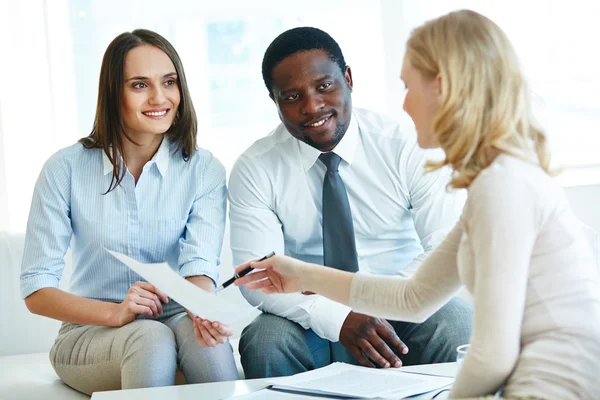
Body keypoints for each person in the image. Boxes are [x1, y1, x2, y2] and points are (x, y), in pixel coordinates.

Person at [234, 10, 600, 400]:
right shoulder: (493, 180)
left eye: (408, 87)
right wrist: (302, 275)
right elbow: (414, 296)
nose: (404, 106)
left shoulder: (503, 186)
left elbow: (493, 355)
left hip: (552, 387)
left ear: (440, 88)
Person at [228, 26, 473, 379]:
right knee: (265, 340)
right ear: (274, 101)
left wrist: (384, 302)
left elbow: (443, 247)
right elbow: (257, 277)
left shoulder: (403, 144)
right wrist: (338, 318)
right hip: (310, 312)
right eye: (292, 96)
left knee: (455, 321)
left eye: (324, 86)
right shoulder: (256, 167)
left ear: (348, 78)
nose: (312, 106)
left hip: (402, 302)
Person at [20, 29, 238, 395]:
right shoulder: (65, 169)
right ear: (112, 93)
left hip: (176, 315)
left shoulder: (204, 169)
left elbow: (199, 266)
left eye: (169, 82)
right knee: (150, 338)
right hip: (92, 331)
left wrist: (202, 308)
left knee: (209, 345)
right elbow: (36, 289)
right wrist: (115, 313)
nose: (159, 98)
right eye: (139, 85)